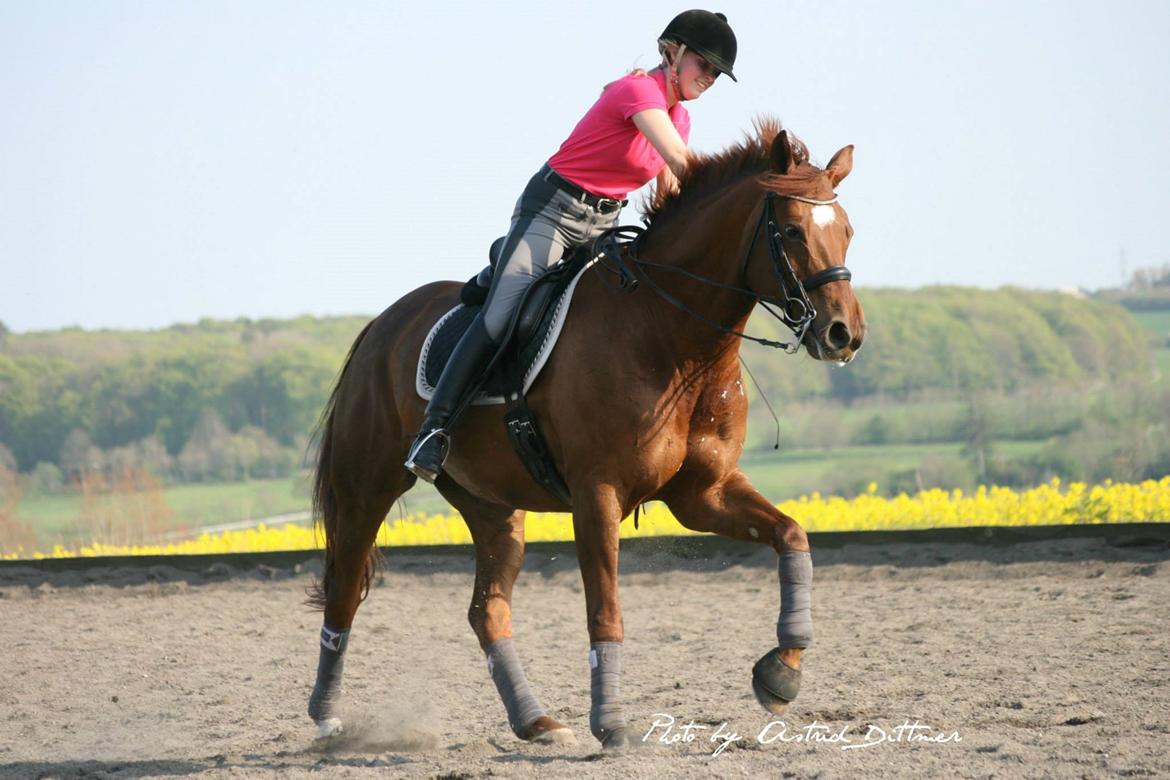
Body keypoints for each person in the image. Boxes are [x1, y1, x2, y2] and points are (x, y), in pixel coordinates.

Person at [405, 9, 738, 482]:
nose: (709, 78)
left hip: (604, 224)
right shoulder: (639, 90)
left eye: (716, 74)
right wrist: (727, 195)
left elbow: (670, 192)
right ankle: (433, 431)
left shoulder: (679, 118)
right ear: (673, 52)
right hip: (552, 213)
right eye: (704, 65)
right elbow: (683, 164)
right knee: (501, 316)